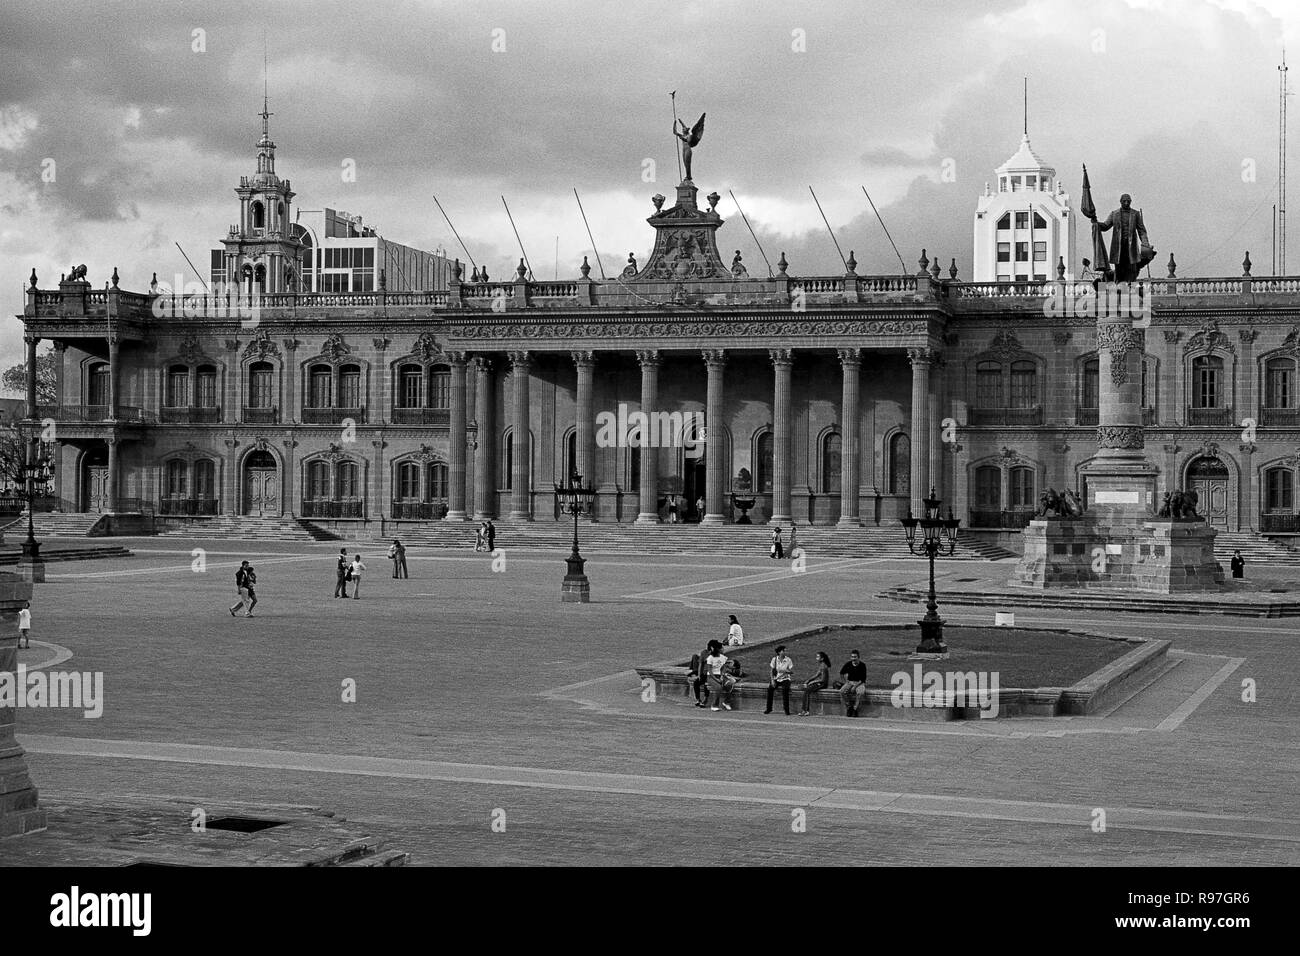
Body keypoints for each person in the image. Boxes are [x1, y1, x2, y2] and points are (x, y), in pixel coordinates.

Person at [764, 644, 795, 715]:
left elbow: (791, 671)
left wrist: (786, 671)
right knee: (770, 690)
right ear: (779, 652)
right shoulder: (774, 659)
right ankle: (769, 708)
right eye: (783, 651)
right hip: (777, 678)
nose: (785, 652)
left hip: (785, 679)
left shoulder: (788, 660)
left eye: (785, 651)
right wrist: (772, 680)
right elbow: (771, 670)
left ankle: (786, 710)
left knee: (785, 691)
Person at [799, 651, 832, 716]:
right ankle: (804, 710)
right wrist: (808, 680)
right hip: (819, 683)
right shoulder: (821, 665)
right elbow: (816, 675)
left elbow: (823, 680)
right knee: (806, 689)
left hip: (822, 684)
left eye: (817, 657)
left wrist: (812, 682)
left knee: (807, 691)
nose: (816, 658)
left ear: (822, 659)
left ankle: (805, 711)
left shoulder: (824, 666)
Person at [704, 642, 734, 711]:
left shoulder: (723, 657)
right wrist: (716, 679)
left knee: (730, 684)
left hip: (719, 675)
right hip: (711, 677)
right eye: (721, 648)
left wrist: (722, 675)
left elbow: (723, 668)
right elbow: (710, 671)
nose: (723, 649)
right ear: (717, 649)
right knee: (718, 687)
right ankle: (714, 705)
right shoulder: (710, 658)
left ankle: (726, 702)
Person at [839, 649, 868, 717]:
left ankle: (855, 709)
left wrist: (855, 687)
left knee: (860, 693)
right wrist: (845, 682)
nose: (853, 658)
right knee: (842, 691)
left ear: (858, 657)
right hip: (850, 682)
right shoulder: (848, 664)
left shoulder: (862, 665)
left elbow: (863, 679)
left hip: (859, 683)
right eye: (852, 657)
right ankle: (849, 707)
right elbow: (841, 673)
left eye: (855, 657)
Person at [691, 640, 716, 708]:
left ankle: (705, 699)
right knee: (696, 683)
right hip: (704, 674)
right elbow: (700, 664)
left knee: (706, 684)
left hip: (711, 674)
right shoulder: (704, 653)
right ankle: (698, 699)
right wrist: (699, 675)